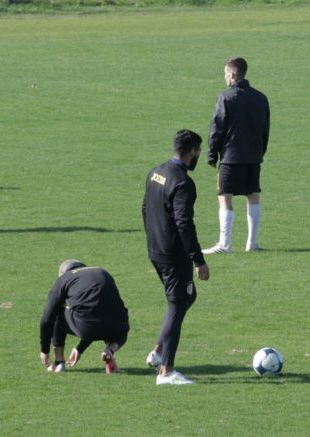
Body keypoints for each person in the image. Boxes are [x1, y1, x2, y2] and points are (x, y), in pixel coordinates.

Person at [142, 129, 210, 385]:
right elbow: (184, 224)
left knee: (186, 296)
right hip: (173, 255)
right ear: (192, 150)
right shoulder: (182, 183)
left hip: (156, 250)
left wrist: (153, 238)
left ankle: (159, 351)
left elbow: (145, 207)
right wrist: (198, 260)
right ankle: (166, 371)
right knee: (178, 303)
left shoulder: (156, 172)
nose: (199, 156)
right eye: (199, 151)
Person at [203, 56, 270, 254]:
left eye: (225, 73)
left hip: (231, 158)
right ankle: (252, 243)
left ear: (232, 74)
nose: (224, 77)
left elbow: (217, 127)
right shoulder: (261, 98)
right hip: (253, 157)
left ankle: (225, 244)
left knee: (225, 196)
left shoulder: (226, 97)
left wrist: (212, 154)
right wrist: (260, 151)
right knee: (253, 195)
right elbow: (265, 129)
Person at [39, 259, 130, 373]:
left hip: (88, 327)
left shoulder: (64, 279)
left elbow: (46, 319)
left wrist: (44, 350)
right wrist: (79, 349)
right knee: (116, 323)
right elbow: (98, 313)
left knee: (57, 311)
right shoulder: (101, 271)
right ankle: (109, 350)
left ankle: (59, 362)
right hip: (119, 326)